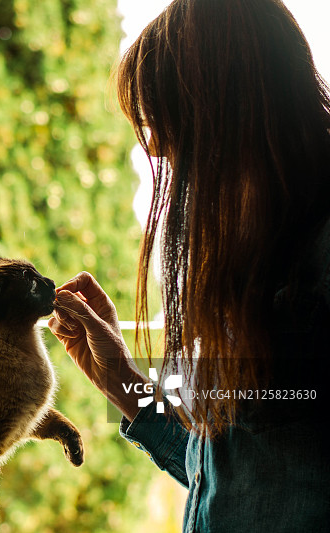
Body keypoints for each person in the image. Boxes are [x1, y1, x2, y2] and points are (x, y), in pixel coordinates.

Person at [48, 0, 330, 531]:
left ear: (230, 113)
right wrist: (124, 384)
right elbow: (224, 479)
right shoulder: (250, 258)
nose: (156, 149)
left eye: (172, 132)